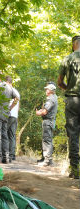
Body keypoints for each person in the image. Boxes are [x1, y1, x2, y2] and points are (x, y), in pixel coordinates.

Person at [58, 35, 80, 179]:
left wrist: (68, 88)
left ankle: (75, 170)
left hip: (72, 99)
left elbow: (59, 82)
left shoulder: (67, 59)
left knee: (73, 133)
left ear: (73, 45)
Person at [0, 76, 19, 163]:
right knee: (4, 135)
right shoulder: (11, 89)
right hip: (6, 114)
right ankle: (6, 157)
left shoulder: (0, 85)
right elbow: (17, 98)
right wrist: (10, 107)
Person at [36, 83, 58, 167]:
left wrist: (38, 113)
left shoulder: (51, 99)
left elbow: (45, 112)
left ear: (51, 91)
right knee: (48, 140)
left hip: (48, 121)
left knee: (46, 141)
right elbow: (47, 109)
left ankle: (47, 161)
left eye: (47, 89)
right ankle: (49, 160)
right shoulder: (54, 98)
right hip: (51, 122)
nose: (46, 90)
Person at [7, 86, 21, 161]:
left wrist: (9, 109)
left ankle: (5, 153)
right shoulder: (17, 92)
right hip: (15, 116)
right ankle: (12, 155)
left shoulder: (10, 91)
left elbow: (16, 101)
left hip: (9, 115)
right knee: (12, 135)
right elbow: (18, 106)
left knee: (4, 134)